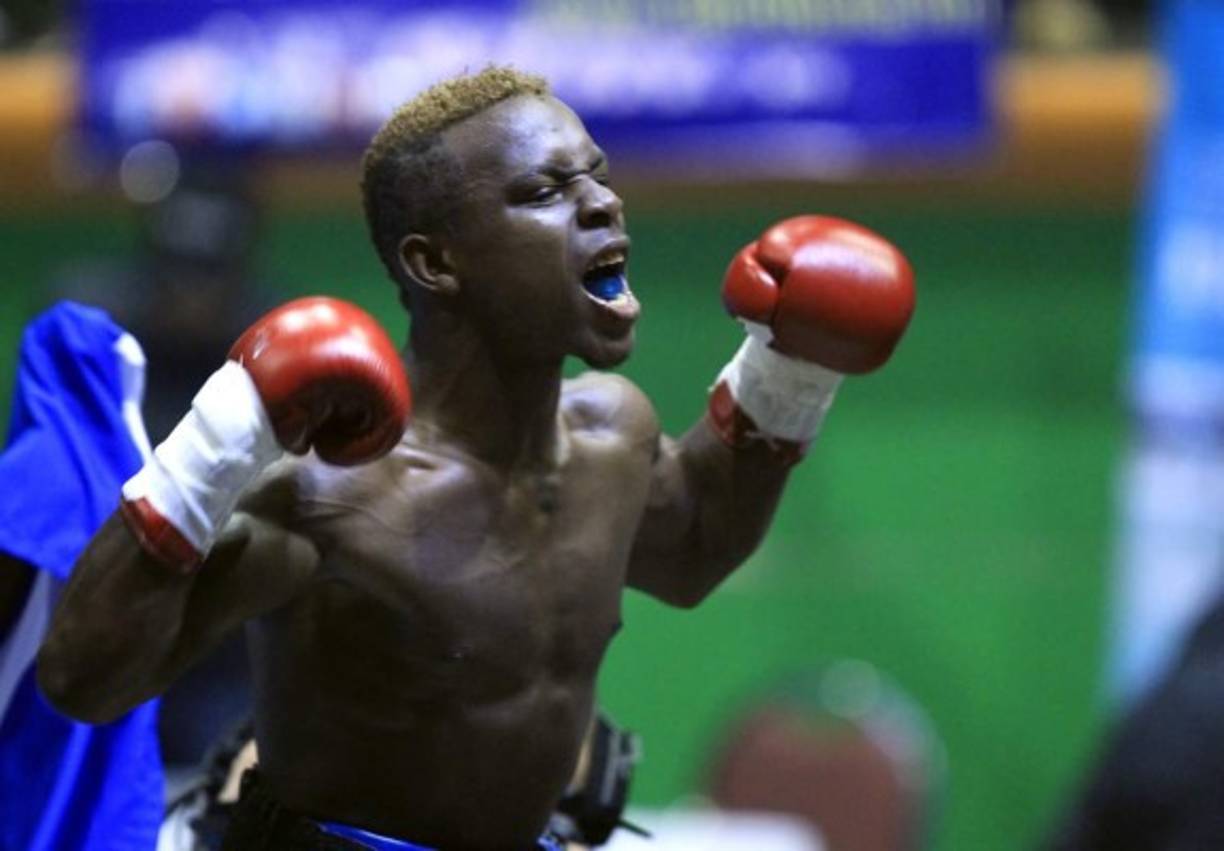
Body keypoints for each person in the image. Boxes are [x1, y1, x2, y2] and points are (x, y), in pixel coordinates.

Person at [36, 66, 915, 850]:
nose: (602, 205)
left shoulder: (613, 438)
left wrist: (786, 376)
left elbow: (689, 551)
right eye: (543, 190)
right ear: (434, 261)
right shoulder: (328, 489)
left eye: (596, 177)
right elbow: (84, 679)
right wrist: (216, 442)